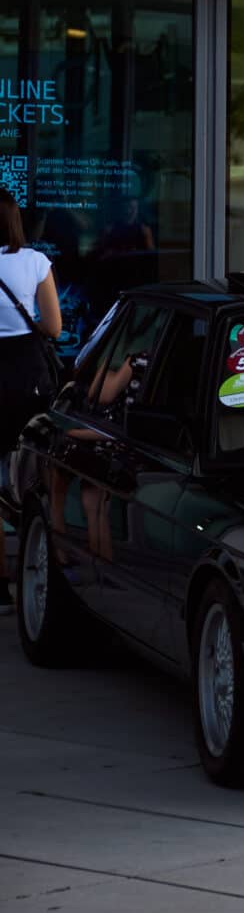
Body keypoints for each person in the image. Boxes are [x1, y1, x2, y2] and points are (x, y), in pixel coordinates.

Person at [0, 192, 64, 607]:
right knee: (34, 478)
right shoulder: (37, 262)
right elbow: (54, 328)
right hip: (28, 377)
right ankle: (34, 570)